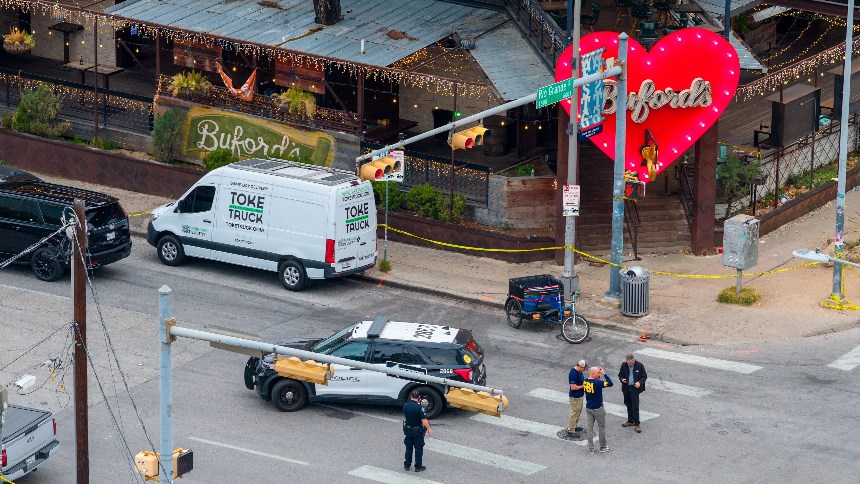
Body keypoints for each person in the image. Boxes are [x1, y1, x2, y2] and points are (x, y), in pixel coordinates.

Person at [583, 366, 613, 454]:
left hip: (589, 408)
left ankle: (591, 448)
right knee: (601, 428)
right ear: (593, 374)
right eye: (597, 373)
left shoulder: (585, 381)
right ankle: (603, 447)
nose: (599, 374)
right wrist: (604, 373)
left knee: (589, 428)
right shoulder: (598, 383)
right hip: (598, 409)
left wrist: (597, 378)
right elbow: (610, 383)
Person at [403, 390, 432, 472]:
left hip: (408, 430)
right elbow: (424, 420)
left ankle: (407, 465)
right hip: (417, 432)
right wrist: (429, 428)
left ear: (411, 396)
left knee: (408, 448)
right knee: (418, 449)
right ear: (419, 398)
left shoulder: (405, 405)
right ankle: (418, 466)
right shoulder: (419, 408)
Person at [618, 353, 647, 433]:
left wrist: (639, 383)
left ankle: (637, 424)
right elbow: (620, 375)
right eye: (628, 363)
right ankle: (630, 420)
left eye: (630, 363)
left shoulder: (640, 365)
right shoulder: (624, 365)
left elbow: (644, 376)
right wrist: (622, 379)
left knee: (635, 406)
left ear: (633, 360)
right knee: (628, 404)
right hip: (626, 387)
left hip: (634, 388)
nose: (629, 364)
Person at [566, 359, 587, 438]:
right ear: (579, 366)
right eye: (583, 368)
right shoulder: (573, 373)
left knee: (578, 412)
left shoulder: (579, 371)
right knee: (574, 413)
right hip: (575, 397)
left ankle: (574, 426)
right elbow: (573, 387)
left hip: (579, 396)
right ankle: (571, 430)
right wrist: (583, 386)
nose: (584, 370)